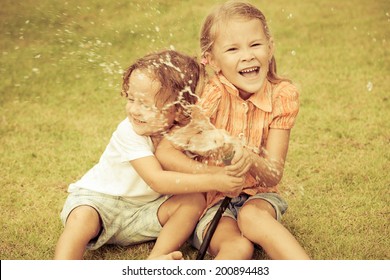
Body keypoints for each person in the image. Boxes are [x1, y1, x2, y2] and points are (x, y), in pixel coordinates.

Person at [54, 50, 245, 260]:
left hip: (143, 211)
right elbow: (157, 180)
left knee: (193, 201)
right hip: (99, 203)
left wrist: (227, 154)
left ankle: (156, 259)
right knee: (81, 219)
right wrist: (215, 180)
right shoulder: (128, 132)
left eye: (145, 104)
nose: (134, 110)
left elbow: (215, 154)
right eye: (131, 99)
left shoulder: (182, 134)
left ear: (179, 110)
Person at [155, 1, 310, 260]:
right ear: (211, 59)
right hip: (212, 201)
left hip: (260, 197)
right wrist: (213, 176)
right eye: (232, 49)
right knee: (238, 247)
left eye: (255, 44)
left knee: (251, 217)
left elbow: (272, 174)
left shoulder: (283, 95)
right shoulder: (211, 95)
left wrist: (249, 159)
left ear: (270, 47)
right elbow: (166, 151)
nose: (247, 55)